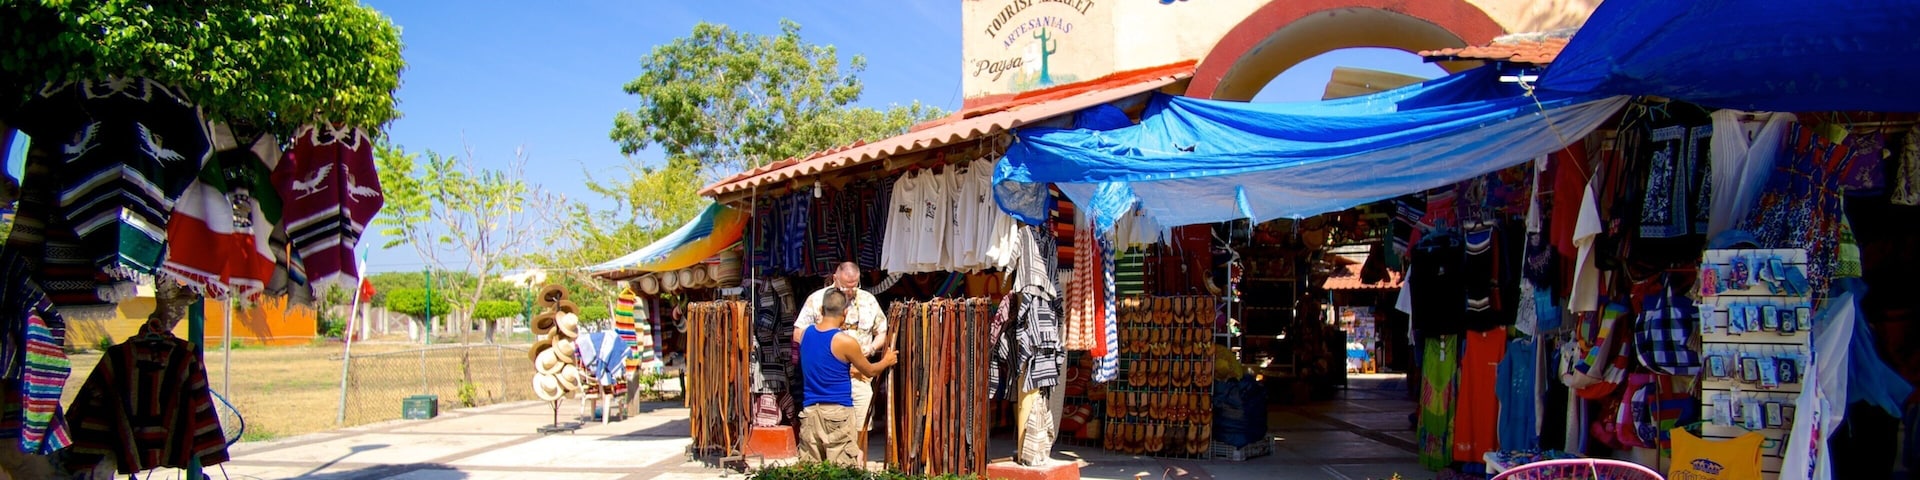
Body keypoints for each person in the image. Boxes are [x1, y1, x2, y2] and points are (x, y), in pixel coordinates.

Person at [798, 289, 896, 466]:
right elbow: (870, 371)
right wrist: (887, 360)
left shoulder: (806, 334)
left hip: (810, 412)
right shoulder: (845, 342)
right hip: (837, 412)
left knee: (811, 470)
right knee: (842, 469)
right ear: (845, 313)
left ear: (821, 310)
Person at [793, 262, 889, 433]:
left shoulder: (868, 300)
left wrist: (871, 349)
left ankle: (859, 459)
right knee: (830, 431)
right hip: (828, 378)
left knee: (860, 429)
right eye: (845, 287)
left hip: (860, 376)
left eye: (854, 286)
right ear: (835, 278)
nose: (850, 292)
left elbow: (882, 331)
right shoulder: (817, 299)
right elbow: (799, 333)